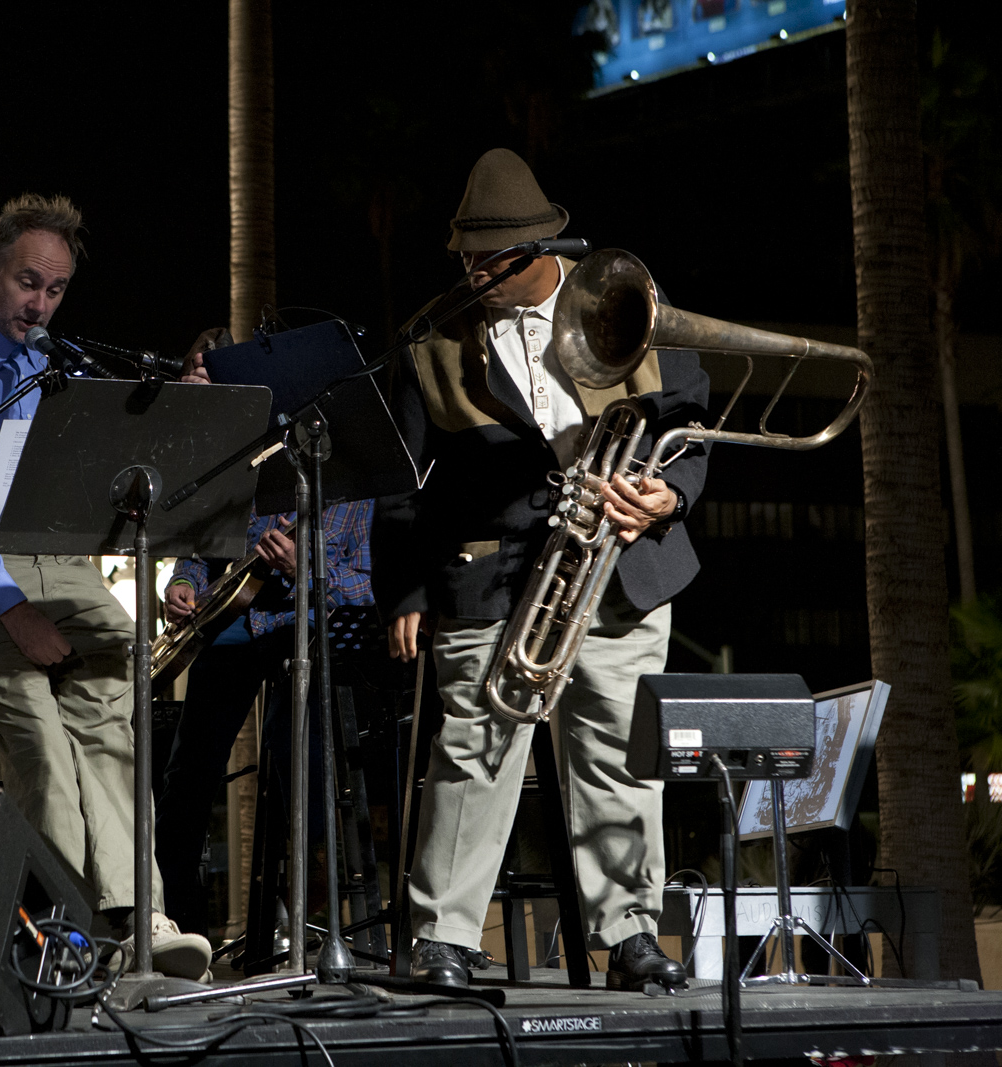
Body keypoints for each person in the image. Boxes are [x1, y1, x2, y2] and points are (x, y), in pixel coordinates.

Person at [374, 148, 709, 991]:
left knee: (620, 750)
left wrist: (665, 494)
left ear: (538, 255)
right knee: (475, 744)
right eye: (466, 261)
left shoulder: (626, 298)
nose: (476, 275)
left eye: (491, 262)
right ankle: (444, 933)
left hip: (620, 563)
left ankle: (631, 932)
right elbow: (399, 479)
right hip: (492, 570)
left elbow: (690, 420)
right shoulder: (430, 337)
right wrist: (407, 586)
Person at [0, 193, 210, 980]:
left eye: (56, 290)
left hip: (64, 568)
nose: (40, 303)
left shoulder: (60, 366)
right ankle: (60, 931)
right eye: (28, 282)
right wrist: (11, 607)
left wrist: (185, 410)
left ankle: (139, 915)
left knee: (112, 725)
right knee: (43, 752)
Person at [155, 498, 374, 935]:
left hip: (305, 629)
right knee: (188, 772)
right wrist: (183, 582)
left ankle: (304, 904)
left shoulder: (357, 497)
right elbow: (201, 553)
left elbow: (368, 588)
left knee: (294, 745)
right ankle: (175, 922)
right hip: (229, 626)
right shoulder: (249, 481)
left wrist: (304, 570)